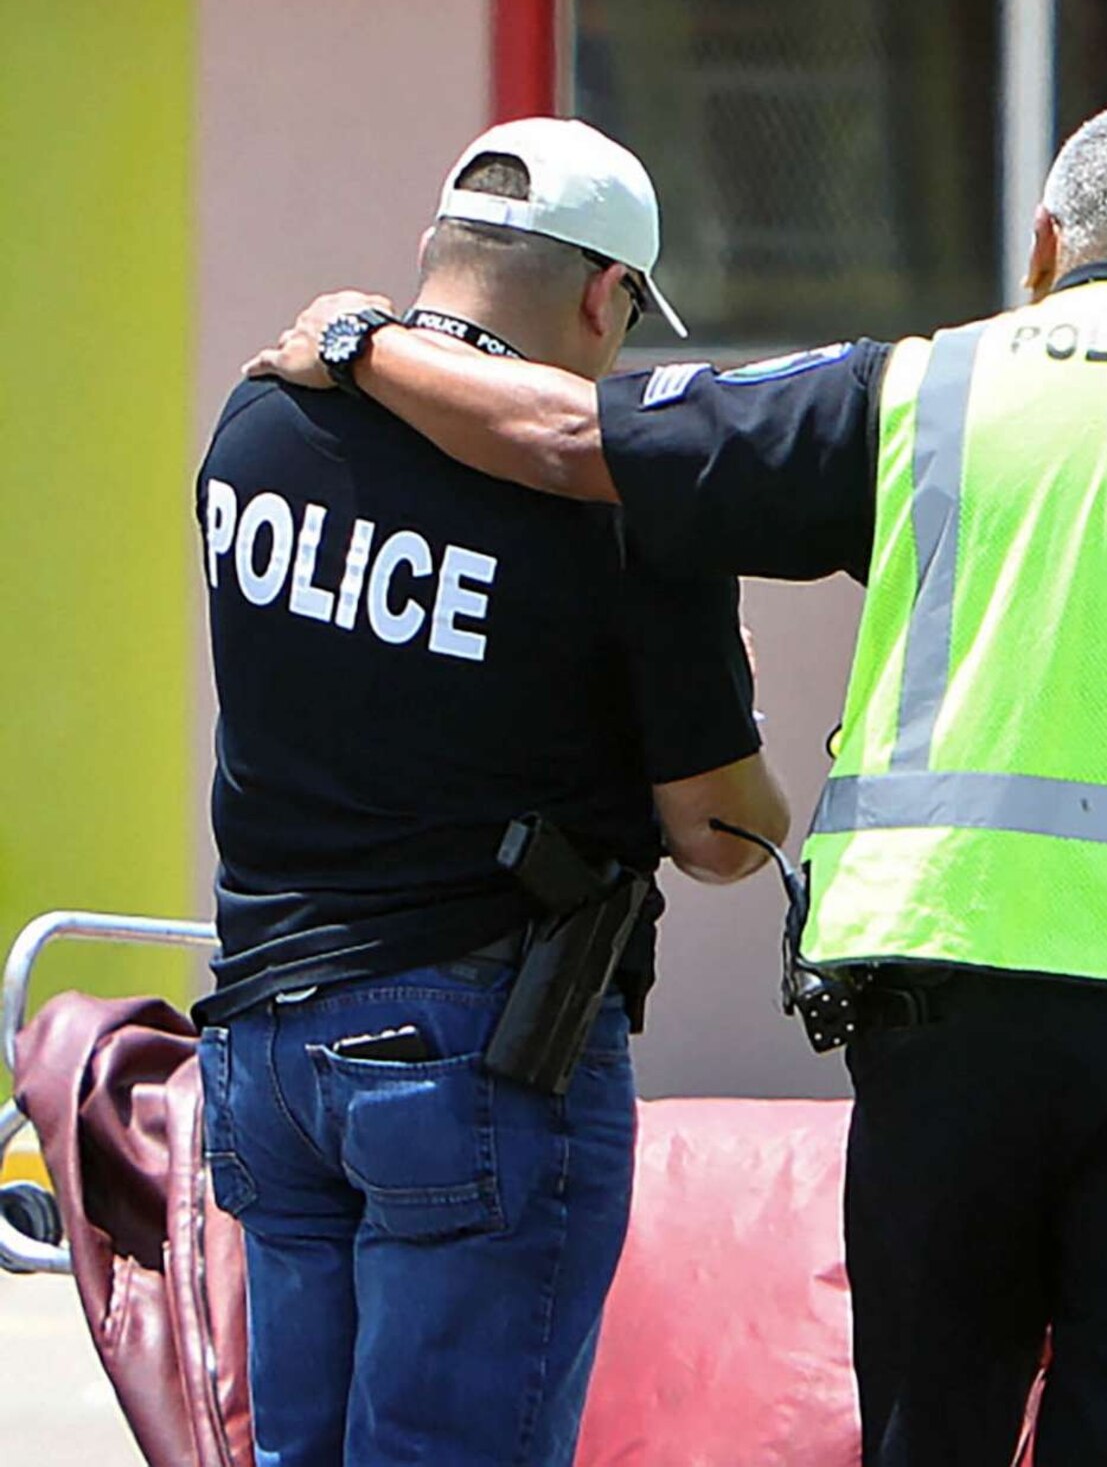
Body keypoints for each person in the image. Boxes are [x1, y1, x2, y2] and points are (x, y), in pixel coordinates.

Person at [248, 100, 1107, 1467]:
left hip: (943, 1028)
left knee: (935, 1427)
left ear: (1044, 247)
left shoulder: (920, 391)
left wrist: (359, 342)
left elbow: (572, 438)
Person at [196, 118, 790, 1467]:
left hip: (263, 1047)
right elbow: (721, 828)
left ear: (437, 258)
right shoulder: (627, 498)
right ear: (603, 295)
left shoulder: (261, 421)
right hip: (473, 1054)